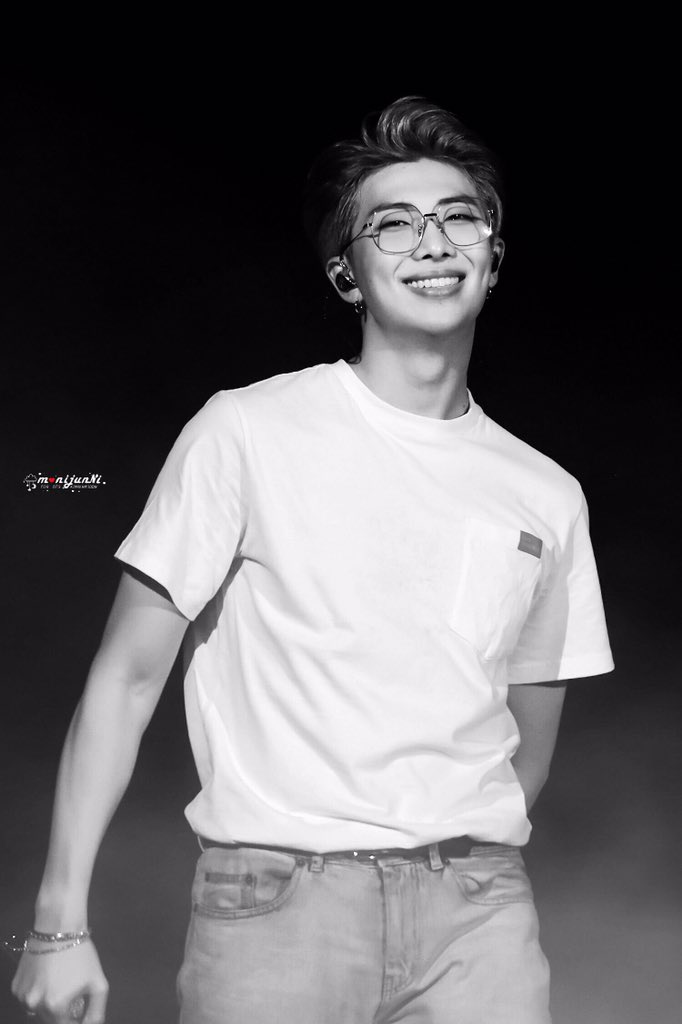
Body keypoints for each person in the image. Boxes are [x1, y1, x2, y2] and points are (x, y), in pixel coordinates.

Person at [10, 96, 614, 1024]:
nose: (433, 242)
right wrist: (58, 925)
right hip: (277, 907)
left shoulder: (545, 492)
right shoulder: (247, 432)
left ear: (493, 257)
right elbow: (126, 680)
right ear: (346, 274)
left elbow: (528, 737)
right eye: (394, 224)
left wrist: (457, 857)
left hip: (479, 919)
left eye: (459, 217)